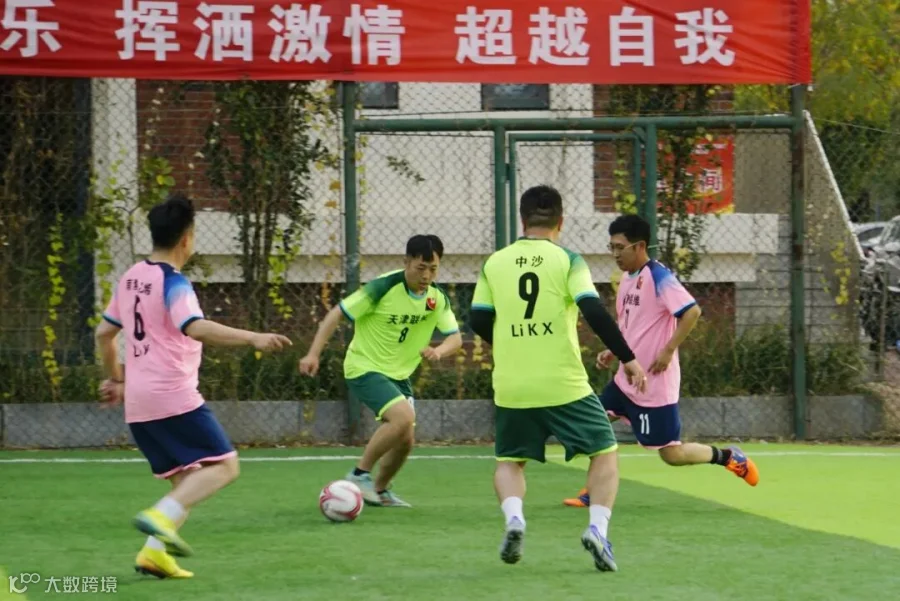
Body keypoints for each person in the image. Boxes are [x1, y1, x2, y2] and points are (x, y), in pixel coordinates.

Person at [95, 193, 292, 579]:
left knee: (187, 481)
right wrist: (253, 337)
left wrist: (117, 379)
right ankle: (160, 515)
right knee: (226, 466)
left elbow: (104, 333)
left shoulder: (132, 277)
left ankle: (153, 555)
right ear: (187, 239)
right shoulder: (174, 282)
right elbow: (195, 327)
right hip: (173, 395)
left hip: (139, 403)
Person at [469, 185, 648, 573]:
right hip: (563, 383)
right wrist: (628, 358)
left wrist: (508, 340)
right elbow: (593, 311)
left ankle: (515, 519)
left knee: (510, 460)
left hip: (513, 384)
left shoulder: (495, 262)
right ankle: (597, 530)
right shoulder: (568, 260)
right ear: (560, 222)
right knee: (605, 451)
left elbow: (478, 318)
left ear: (522, 219)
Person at [562, 214, 759, 509]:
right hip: (626, 380)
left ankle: (730, 458)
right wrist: (614, 351)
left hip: (653, 385)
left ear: (640, 246)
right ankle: (594, 490)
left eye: (620, 247)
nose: (615, 254)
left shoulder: (658, 276)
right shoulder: (627, 279)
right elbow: (632, 325)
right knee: (595, 424)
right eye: (611, 247)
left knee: (672, 455)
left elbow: (692, 312)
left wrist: (668, 351)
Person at [299, 235, 462, 507]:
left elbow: (455, 338)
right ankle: (359, 475)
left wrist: (439, 351)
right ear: (406, 262)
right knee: (402, 417)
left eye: (433, 269)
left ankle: (380, 489)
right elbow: (337, 313)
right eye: (420, 268)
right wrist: (313, 353)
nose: (426, 276)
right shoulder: (382, 287)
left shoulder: (436, 298)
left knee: (405, 439)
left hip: (399, 375)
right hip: (364, 367)